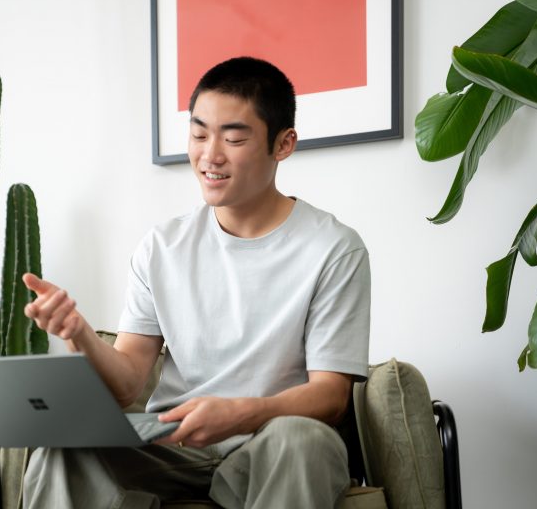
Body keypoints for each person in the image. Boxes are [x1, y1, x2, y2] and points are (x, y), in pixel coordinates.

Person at [21, 56, 370, 509]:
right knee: (60, 446)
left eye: (235, 137)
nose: (210, 155)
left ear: (283, 144)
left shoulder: (334, 248)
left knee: (303, 439)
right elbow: (128, 384)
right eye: (199, 134)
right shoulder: (162, 247)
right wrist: (79, 333)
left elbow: (331, 396)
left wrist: (240, 413)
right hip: (174, 445)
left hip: (270, 442)